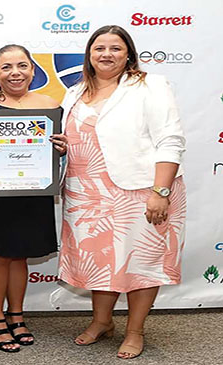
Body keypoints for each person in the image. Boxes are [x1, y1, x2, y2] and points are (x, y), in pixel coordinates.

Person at [56, 25, 186, 359]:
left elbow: (170, 139)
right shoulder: (74, 90)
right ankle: (102, 322)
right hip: (86, 192)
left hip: (140, 190)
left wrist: (161, 190)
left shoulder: (150, 85)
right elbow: (77, 138)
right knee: (101, 261)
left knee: (141, 261)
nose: (106, 54)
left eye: (115, 48)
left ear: (128, 53)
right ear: (89, 54)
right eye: (99, 48)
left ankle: (135, 330)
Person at [0, 44, 66, 353]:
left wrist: (61, 148)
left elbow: (60, 148)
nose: (15, 73)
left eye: (22, 66)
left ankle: (16, 316)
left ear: (33, 70)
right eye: (6, 67)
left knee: (20, 255)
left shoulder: (50, 104)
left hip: (33, 193)